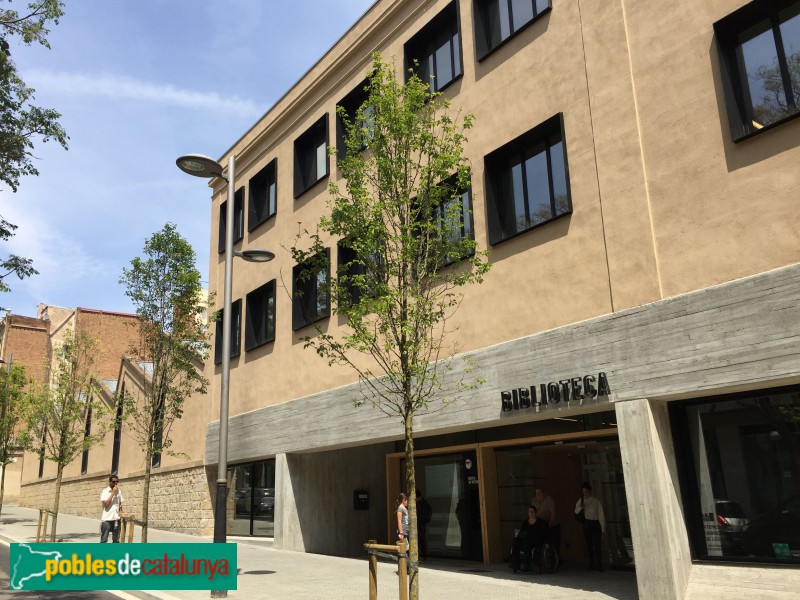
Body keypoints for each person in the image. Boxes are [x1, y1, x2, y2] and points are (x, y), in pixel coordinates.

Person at [511, 505, 550, 573]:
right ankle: (516, 565)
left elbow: (546, 533)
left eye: (532, 512)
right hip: (525, 540)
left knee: (527, 543)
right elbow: (521, 532)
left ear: (535, 513)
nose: (531, 513)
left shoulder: (541, 523)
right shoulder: (525, 522)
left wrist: (547, 542)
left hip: (535, 541)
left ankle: (527, 565)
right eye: (529, 512)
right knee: (515, 542)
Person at [575, 482, 605, 571]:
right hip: (587, 523)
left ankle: (599, 563)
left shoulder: (596, 501)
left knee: (597, 544)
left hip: (595, 523)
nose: (585, 493)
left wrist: (603, 528)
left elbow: (601, 515)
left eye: (586, 491)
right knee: (589, 544)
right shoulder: (581, 500)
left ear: (590, 491)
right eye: (583, 492)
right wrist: (581, 507)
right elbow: (576, 512)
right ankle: (592, 563)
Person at [532, 486, 560, 558]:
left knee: (554, 542)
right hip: (541, 525)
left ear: (543, 493)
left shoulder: (549, 500)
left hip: (552, 524)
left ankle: (556, 558)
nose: (538, 495)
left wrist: (549, 525)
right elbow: (532, 512)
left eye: (539, 493)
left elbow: (553, 514)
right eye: (536, 493)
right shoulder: (534, 501)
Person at [99, 474, 124, 543]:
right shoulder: (105, 491)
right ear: (109, 481)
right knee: (104, 540)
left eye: (117, 482)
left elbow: (120, 502)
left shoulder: (119, 491)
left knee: (116, 540)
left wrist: (121, 511)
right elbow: (106, 504)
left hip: (116, 519)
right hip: (107, 519)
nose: (115, 483)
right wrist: (112, 493)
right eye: (113, 482)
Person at [415, 489, 432, 560]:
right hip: (419, 524)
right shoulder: (421, 503)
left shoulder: (423, 504)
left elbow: (426, 515)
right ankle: (421, 554)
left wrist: (423, 521)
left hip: (420, 524)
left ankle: (423, 554)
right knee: (420, 539)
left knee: (421, 539)